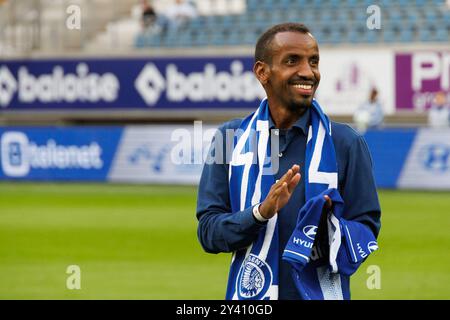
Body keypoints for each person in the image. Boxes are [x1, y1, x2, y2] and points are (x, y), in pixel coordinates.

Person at [196, 23, 381, 300]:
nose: (308, 72)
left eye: (314, 61)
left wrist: (331, 228)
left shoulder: (346, 143)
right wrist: (260, 213)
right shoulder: (229, 139)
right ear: (262, 72)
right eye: (292, 61)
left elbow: (367, 230)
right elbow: (209, 233)